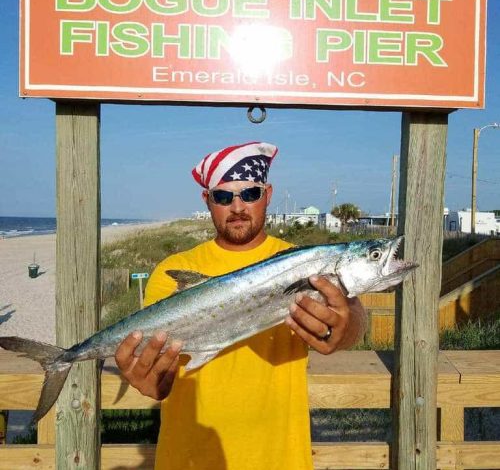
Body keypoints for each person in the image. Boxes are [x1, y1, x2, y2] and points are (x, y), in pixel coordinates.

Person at [115, 141, 367, 470]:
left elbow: (354, 316)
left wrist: (347, 325)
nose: (237, 206)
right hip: (189, 460)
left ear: (268, 194)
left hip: (281, 460)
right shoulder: (172, 270)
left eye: (250, 193)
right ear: (207, 200)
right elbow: (162, 375)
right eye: (223, 196)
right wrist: (152, 381)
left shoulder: (304, 263)